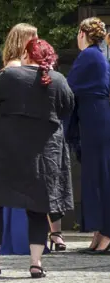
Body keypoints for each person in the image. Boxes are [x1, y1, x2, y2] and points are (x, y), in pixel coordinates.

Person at [0, 38, 74, 278]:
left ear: (27, 55)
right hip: (44, 157)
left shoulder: (10, 76)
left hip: (6, 152)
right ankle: (36, 263)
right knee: (38, 206)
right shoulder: (59, 80)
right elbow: (67, 109)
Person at [0, 23, 64, 255]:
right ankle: (24, 241)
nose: (38, 40)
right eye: (33, 37)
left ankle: (24, 240)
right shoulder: (16, 68)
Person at [65, 17, 110, 255]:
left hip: (97, 119)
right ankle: (100, 233)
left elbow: (69, 87)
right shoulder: (96, 55)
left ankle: (106, 234)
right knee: (96, 176)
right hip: (94, 118)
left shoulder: (89, 55)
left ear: (83, 33)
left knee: (102, 176)